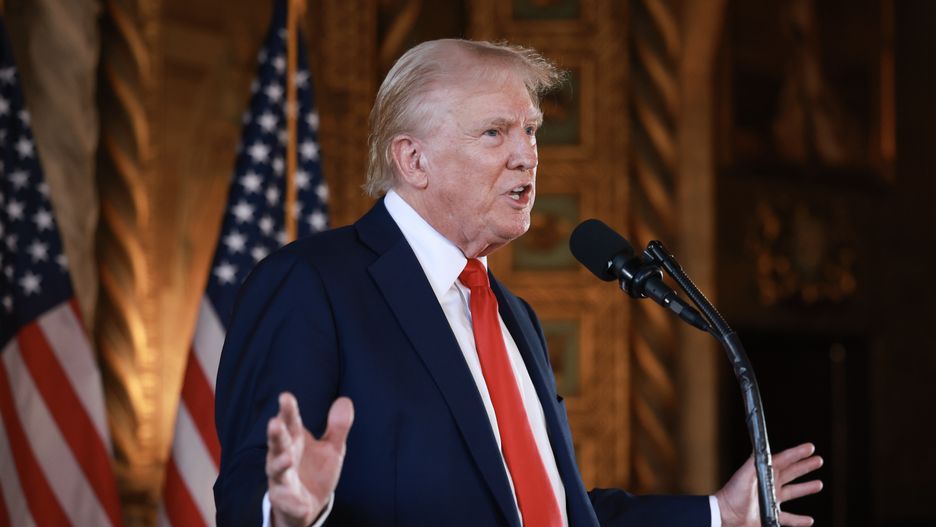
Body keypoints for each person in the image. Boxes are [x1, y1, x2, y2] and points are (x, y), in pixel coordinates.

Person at [213, 39, 823, 527]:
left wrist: (718, 514)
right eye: (494, 132)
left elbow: (549, 509)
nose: (528, 155)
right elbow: (252, 483)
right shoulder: (311, 283)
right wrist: (289, 514)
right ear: (413, 159)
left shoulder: (512, 317)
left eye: (531, 130)